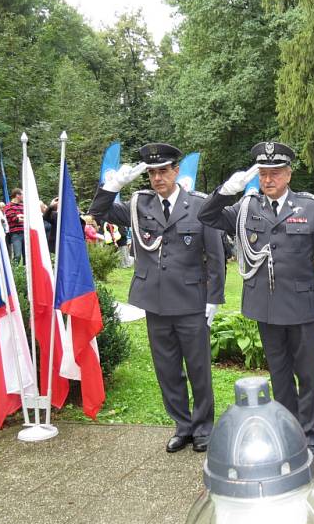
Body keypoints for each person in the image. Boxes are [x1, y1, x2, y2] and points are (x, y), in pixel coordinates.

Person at [198, 141, 314, 462]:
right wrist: (225, 191)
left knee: (308, 377)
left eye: (275, 173)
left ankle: (311, 438)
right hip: (266, 307)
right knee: (279, 375)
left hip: (304, 307)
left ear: (288, 174)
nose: (268, 180)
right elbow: (207, 215)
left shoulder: (311, 207)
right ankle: (288, 434)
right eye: (263, 174)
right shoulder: (246, 208)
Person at [89, 143, 226, 453]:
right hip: (156, 301)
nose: (157, 178)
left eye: (163, 171)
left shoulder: (200, 204)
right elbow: (98, 212)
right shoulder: (140, 204)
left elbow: (216, 257)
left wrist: (214, 298)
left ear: (176, 171)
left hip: (192, 300)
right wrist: (111, 187)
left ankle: (204, 427)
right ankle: (183, 425)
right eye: (152, 173)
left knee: (198, 368)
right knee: (167, 368)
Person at [3, 189, 24, 263]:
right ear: (17, 195)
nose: (23, 196)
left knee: (27, 255)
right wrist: (21, 217)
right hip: (16, 234)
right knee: (17, 255)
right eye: (22, 194)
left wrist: (21, 216)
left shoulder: (23, 205)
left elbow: (27, 217)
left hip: (26, 233)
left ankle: (26, 272)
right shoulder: (8, 206)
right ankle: (14, 271)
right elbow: (14, 219)